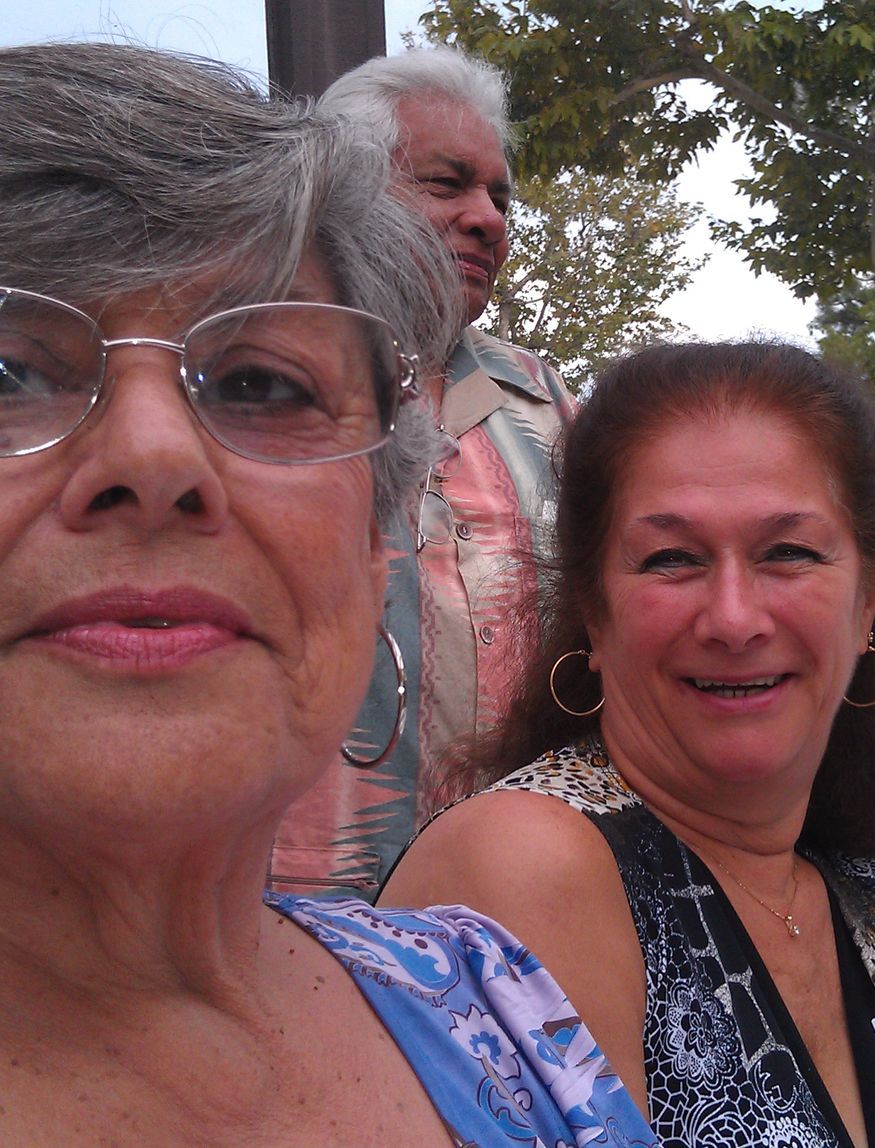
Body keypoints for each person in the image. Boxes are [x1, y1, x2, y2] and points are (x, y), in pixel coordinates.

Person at [0, 44, 654, 1147]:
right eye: (0, 372)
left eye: (263, 383)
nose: (158, 457)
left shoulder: (496, 1003)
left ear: (370, 548)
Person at [384, 343, 875, 1147]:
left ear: (866, 605)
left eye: (789, 553)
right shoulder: (526, 866)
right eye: (672, 559)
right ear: (594, 612)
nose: (735, 619)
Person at [266, 47, 577, 900]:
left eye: (501, 198)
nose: (488, 219)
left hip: (517, 901)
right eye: (447, 184)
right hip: (298, 904)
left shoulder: (544, 399)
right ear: (343, 188)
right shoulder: (245, 381)